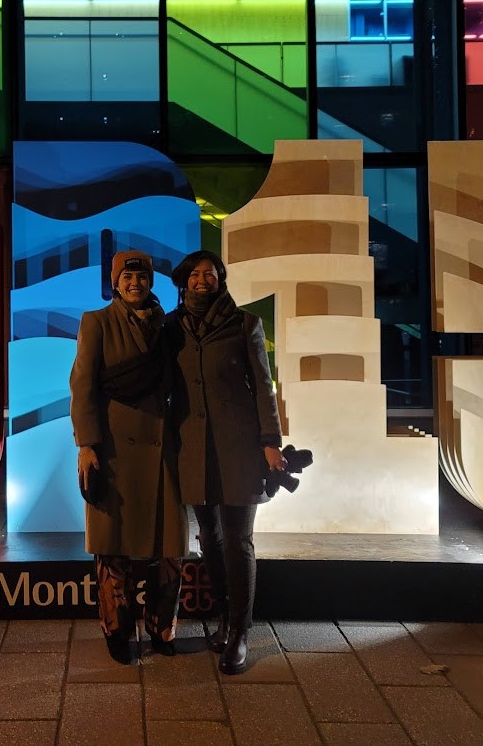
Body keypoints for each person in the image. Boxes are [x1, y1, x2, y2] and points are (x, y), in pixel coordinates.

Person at [167, 249, 287, 675]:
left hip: (239, 447)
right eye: (196, 274)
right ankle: (221, 616)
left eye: (211, 273)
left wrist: (270, 441)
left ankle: (240, 631)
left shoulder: (245, 324)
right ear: (184, 281)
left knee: (239, 539)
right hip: (193, 449)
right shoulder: (172, 326)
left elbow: (263, 387)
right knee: (211, 537)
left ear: (221, 279)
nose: (203, 280)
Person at [69, 249, 189, 664]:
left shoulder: (169, 325)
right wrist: (86, 446)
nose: (134, 284)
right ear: (116, 283)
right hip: (114, 451)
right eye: (126, 278)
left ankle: (161, 629)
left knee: (170, 545)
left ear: (151, 281)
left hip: (162, 449)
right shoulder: (97, 322)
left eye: (141, 277)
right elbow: (82, 387)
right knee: (112, 548)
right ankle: (116, 631)